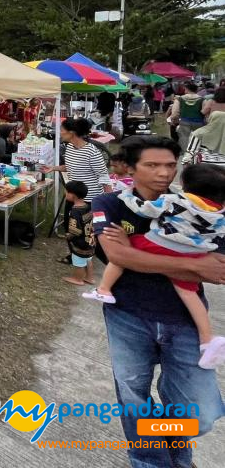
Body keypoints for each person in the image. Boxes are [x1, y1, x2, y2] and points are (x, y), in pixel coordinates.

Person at [90, 136, 225, 466]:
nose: (163, 173)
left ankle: (169, 442)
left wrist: (136, 252)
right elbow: (115, 254)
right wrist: (192, 264)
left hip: (184, 319)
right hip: (128, 316)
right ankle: (154, 461)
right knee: (133, 397)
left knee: (201, 411)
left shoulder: (193, 206)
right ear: (130, 169)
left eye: (169, 165)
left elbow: (218, 269)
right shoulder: (108, 204)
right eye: (152, 165)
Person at [85, 164, 225, 368]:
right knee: (188, 294)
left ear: (186, 185)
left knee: (124, 250)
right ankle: (207, 339)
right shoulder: (220, 214)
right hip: (194, 252)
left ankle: (104, 289)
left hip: (162, 243)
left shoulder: (176, 201)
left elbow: (146, 208)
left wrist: (126, 196)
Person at [45, 117, 112, 206]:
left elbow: (104, 177)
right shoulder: (69, 147)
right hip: (73, 197)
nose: (60, 133)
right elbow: (70, 166)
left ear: (71, 132)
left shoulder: (91, 151)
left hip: (89, 200)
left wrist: (110, 202)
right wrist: (53, 168)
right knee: (68, 220)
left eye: (62, 130)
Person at [62, 181, 94, 286]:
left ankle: (77, 279)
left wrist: (68, 235)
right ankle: (90, 278)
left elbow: (75, 230)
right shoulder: (88, 206)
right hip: (90, 239)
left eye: (66, 192)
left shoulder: (75, 211)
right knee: (88, 259)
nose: (65, 194)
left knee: (78, 261)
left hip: (80, 243)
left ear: (73, 195)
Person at [169, 82, 205, 152]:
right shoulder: (202, 99)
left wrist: (173, 120)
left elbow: (175, 112)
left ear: (186, 89)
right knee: (198, 137)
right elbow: (204, 111)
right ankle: (196, 151)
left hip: (184, 121)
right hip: (199, 122)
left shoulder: (180, 99)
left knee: (184, 137)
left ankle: (185, 153)